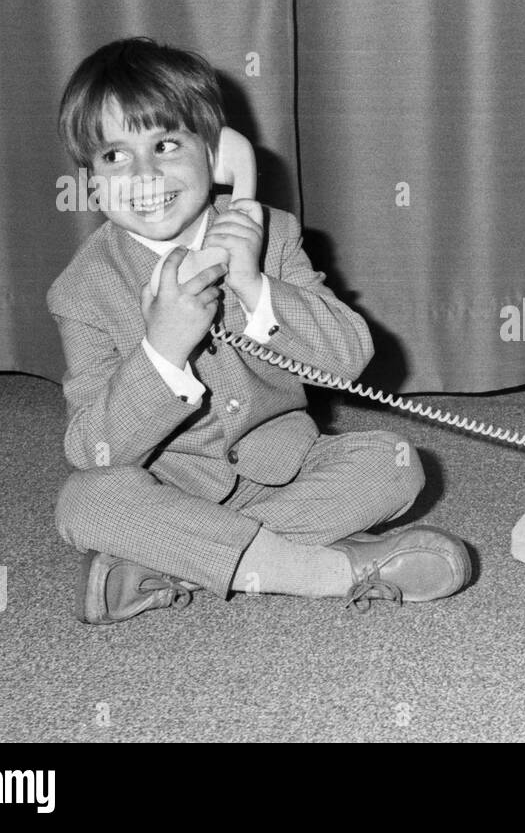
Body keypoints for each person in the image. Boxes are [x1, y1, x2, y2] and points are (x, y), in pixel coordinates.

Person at [48, 37, 471, 625]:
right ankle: (327, 571)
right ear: (91, 178)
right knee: (84, 501)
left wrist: (253, 287)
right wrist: (162, 350)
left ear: (219, 154)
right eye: (114, 157)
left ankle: (175, 561)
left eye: (166, 144)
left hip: (287, 472)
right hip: (169, 489)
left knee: (396, 463)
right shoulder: (83, 289)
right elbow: (93, 449)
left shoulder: (272, 235)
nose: (143, 174)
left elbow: (350, 357)